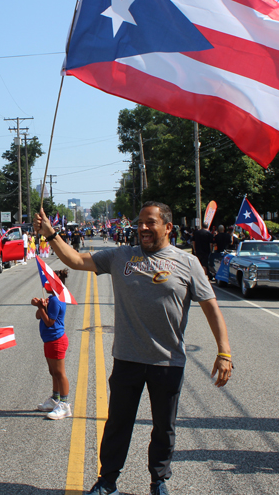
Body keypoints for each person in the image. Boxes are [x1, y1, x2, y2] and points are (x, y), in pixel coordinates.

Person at [34, 201, 232, 495]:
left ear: (167, 227)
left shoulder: (188, 263)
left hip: (168, 362)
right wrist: (51, 234)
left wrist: (224, 352)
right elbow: (75, 260)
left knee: (164, 428)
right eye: (140, 222)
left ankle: (159, 481)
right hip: (127, 359)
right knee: (118, 425)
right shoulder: (120, 256)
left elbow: (211, 308)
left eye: (150, 223)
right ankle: (108, 481)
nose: (142, 228)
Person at [32, 268, 71, 420]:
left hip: (56, 340)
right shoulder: (52, 299)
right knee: (53, 372)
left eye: (47, 282)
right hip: (49, 340)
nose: (44, 284)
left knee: (60, 373)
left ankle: (65, 404)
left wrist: (41, 307)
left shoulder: (56, 300)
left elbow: (49, 322)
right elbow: (38, 316)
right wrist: (41, 306)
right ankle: (55, 399)